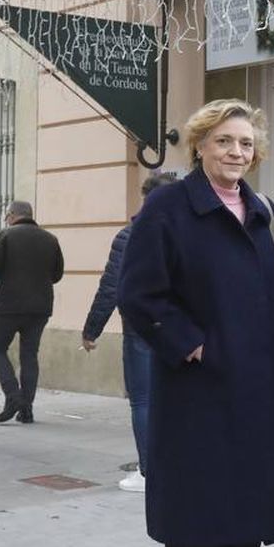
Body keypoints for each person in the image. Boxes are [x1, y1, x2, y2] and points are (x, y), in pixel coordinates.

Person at [117, 100, 274, 547]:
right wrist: (186, 344)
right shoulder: (170, 206)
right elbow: (138, 292)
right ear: (200, 145)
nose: (236, 152)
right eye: (224, 141)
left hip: (256, 395)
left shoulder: (263, 210)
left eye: (246, 143)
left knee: (241, 518)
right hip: (197, 394)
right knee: (194, 521)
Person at [82, 172, 180, 492]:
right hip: (182, 329)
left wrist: (91, 330)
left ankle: (149, 473)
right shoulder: (189, 231)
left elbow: (112, 287)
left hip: (141, 328)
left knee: (143, 400)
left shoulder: (130, 234)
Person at [0, 200, 64, 424]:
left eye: (6, 216)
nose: (5, 220)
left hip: (9, 305)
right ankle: (26, 409)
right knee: (29, 355)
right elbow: (57, 274)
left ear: (12, 215)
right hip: (40, 307)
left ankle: (13, 396)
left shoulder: (4, 236)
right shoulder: (50, 239)